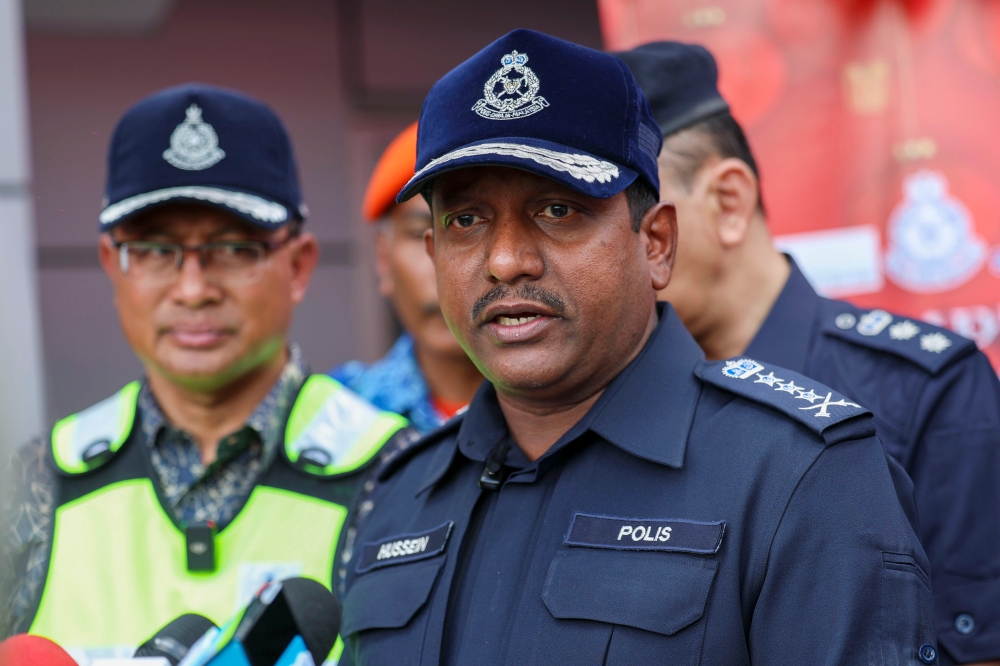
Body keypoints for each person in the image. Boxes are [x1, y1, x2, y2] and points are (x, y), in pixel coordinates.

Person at [337, 29, 937, 665]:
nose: (506, 261)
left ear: (655, 244)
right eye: (466, 221)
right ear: (433, 256)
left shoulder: (796, 477)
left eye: (558, 211)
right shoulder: (400, 496)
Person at [617, 41, 1000, 666]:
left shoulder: (926, 389)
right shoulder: (606, 406)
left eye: (628, 220)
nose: (601, 256)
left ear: (728, 202)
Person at [0, 84, 411, 663]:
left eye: (233, 248)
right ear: (111, 266)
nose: (193, 289)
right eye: (155, 249)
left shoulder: (398, 475)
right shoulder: (36, 482)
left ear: (298, 265)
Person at [330, 123, 483, 434]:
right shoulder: (336, 416)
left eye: (467, 224)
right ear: (383, 259)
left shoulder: (583, 412)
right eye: (419, 234)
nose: (443, 269)